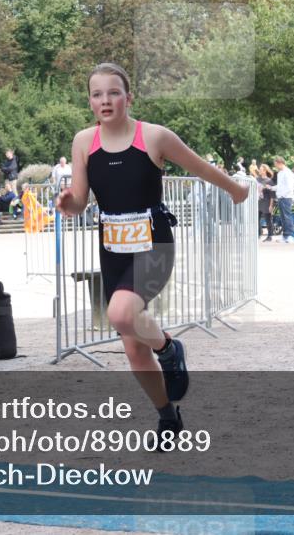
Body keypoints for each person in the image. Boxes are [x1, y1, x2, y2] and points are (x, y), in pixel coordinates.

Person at [55, 62, 248, 446]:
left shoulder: (154, 137)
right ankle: (168, 416)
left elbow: (200, 167)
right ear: (90, 101)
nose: (105, 100)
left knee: (121, 314)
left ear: (128, 97)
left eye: (113, 92)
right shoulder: (82, 142)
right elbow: (79, 201)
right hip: (113, 247)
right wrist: (69, 203)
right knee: (131, 348)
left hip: (154, 244)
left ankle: (169, 347)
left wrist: (236, 190)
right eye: (97, 94)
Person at [273, 156, 294, 242]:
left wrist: (282, 195)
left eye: (276, 164)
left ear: (280, 163)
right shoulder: (280, 173)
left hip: (286, 197)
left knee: (287, 216)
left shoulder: (288, 172)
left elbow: (290, 187)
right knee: (282, 217)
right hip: (280, 197)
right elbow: (280, 186)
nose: (275, 166)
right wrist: (272, 188)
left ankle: (290, 235)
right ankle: (285, 235)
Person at [256, 163, 276, 242]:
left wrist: (271, 205)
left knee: (268, 219)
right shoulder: (257, 179)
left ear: (264, 171)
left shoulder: (269, 181)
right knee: (256, 219)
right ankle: (258, 234)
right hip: (258, 201)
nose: (259, 171)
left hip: (267, 202)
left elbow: (272, 195)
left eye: (260, 170)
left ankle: (270, 235)